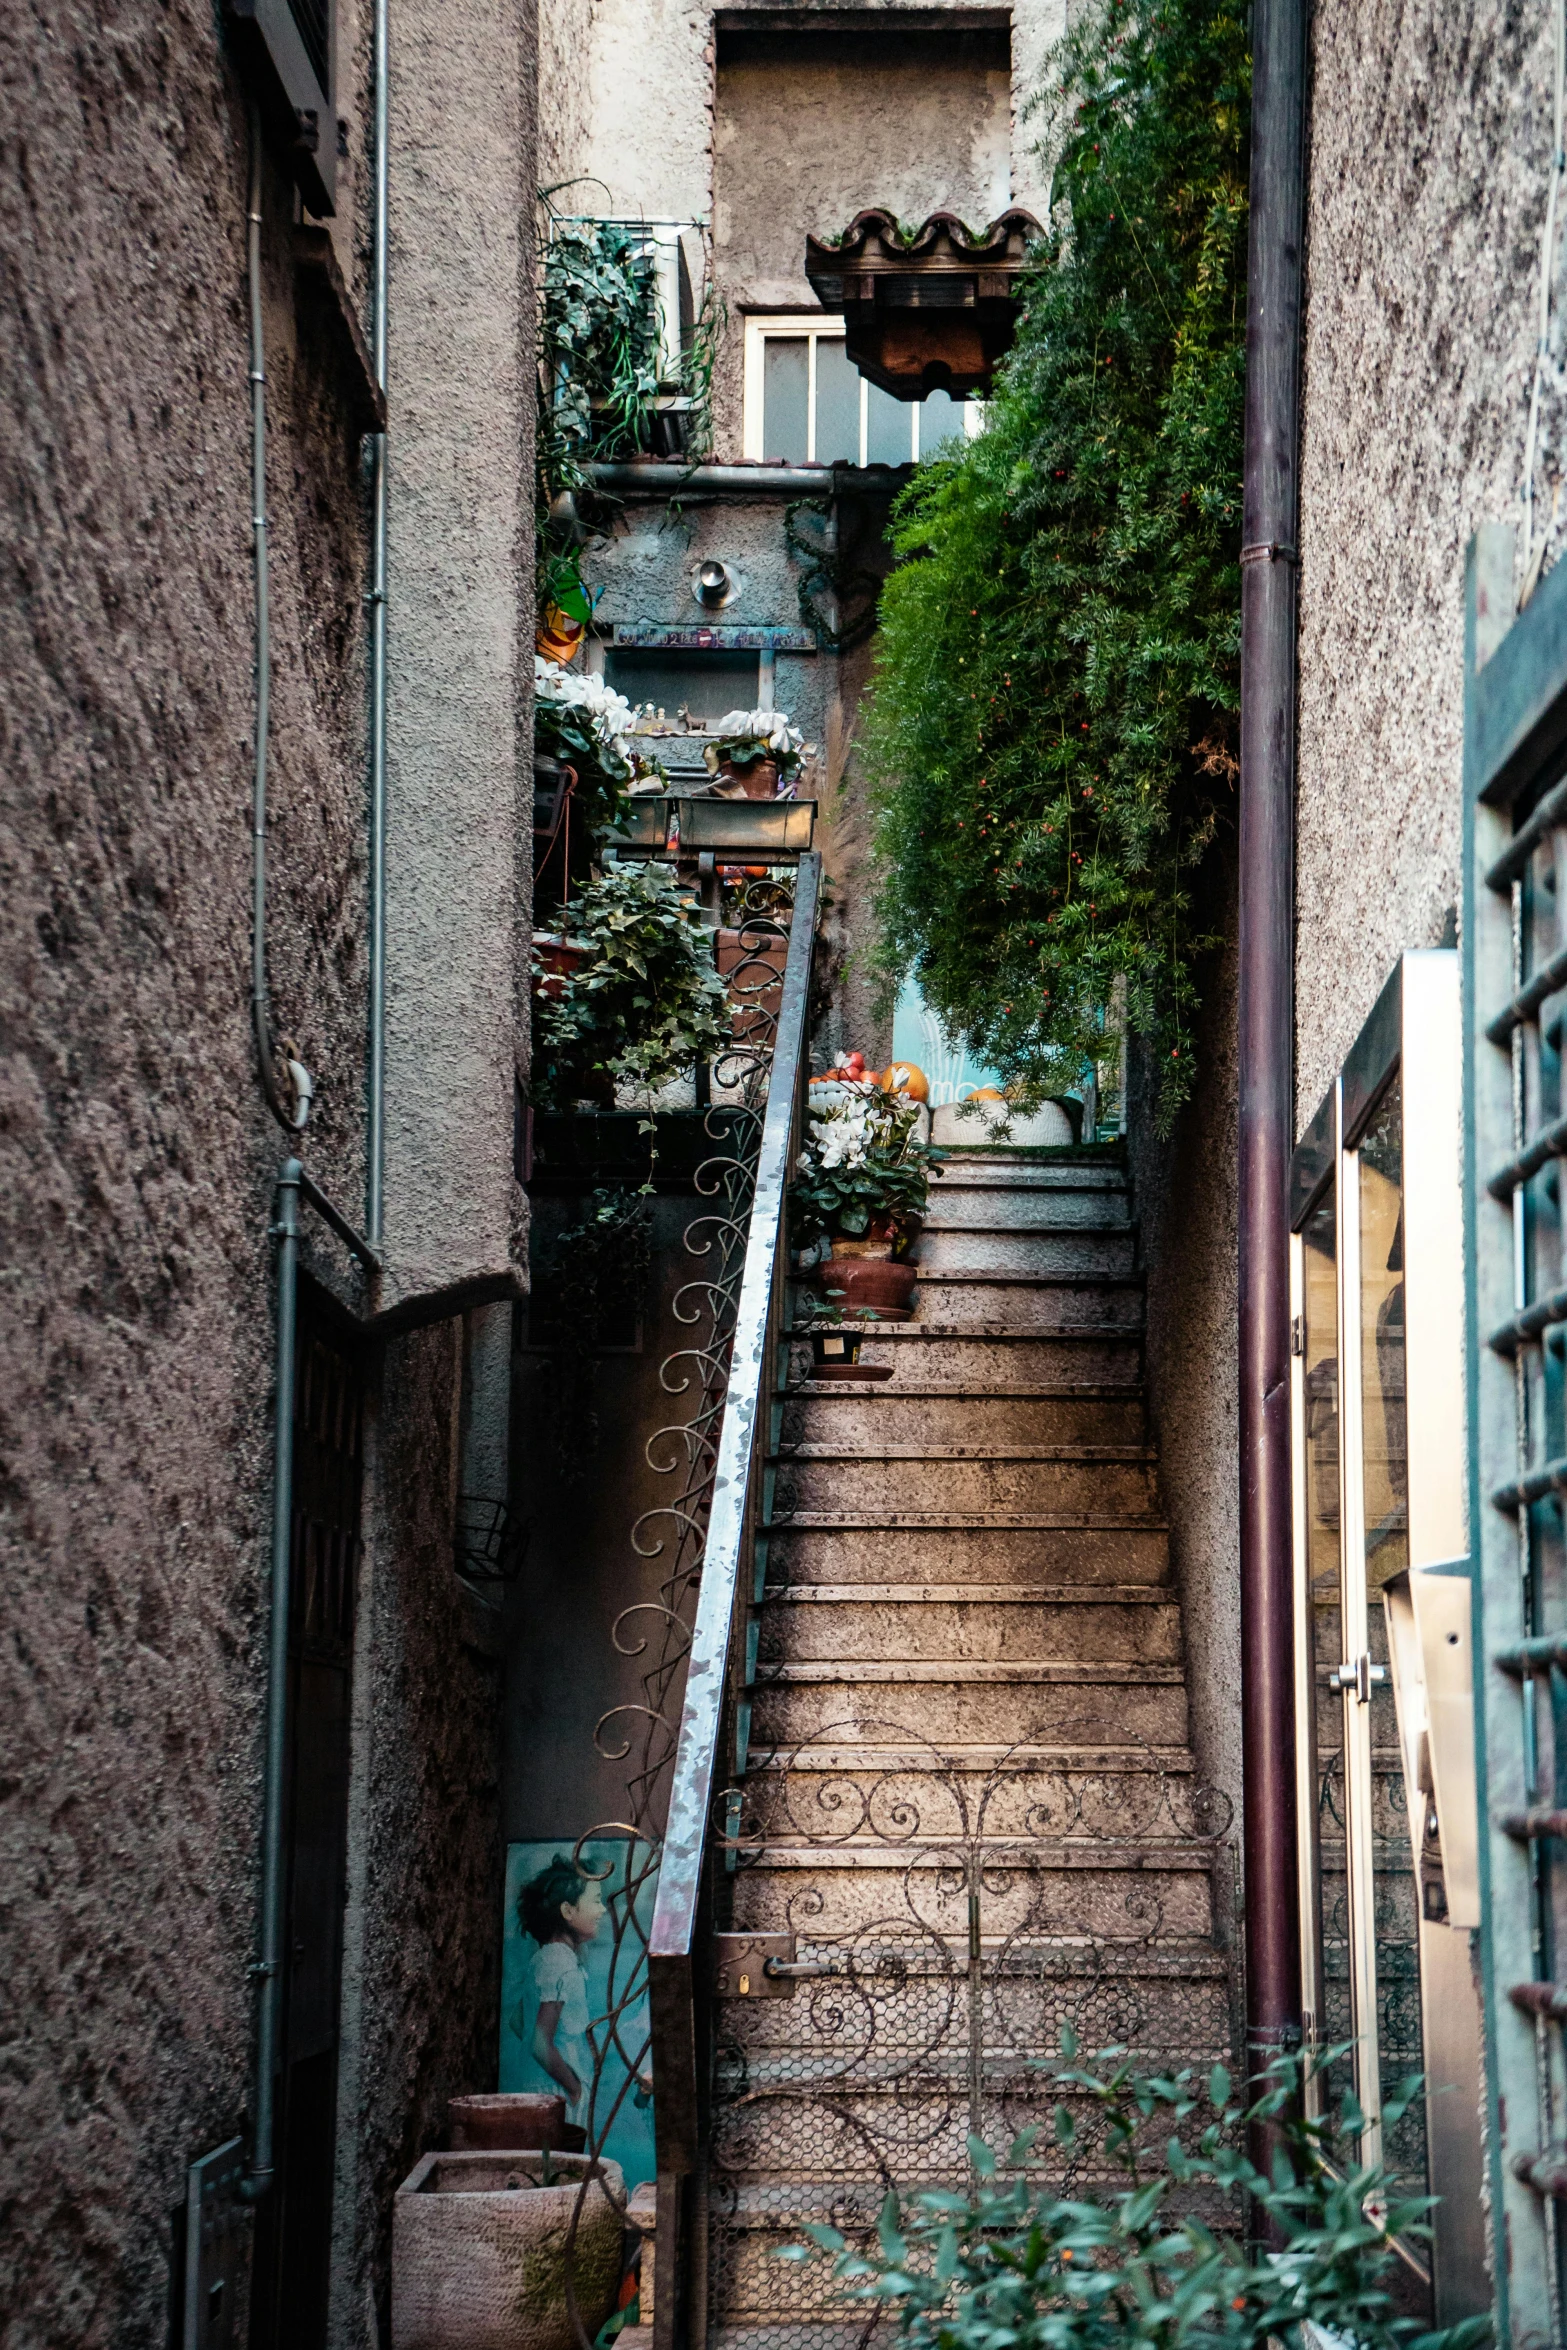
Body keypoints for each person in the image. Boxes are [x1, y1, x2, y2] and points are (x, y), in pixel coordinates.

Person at [518, 1854, 604, 2125]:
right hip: (559, 2095)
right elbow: (540, 2043)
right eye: (596, 1901)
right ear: (568, 1912)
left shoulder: (551, 1957)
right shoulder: (558, 1960)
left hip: (549, 2089)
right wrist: (574, 2088)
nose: (602, 1910)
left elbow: (517, 2021)